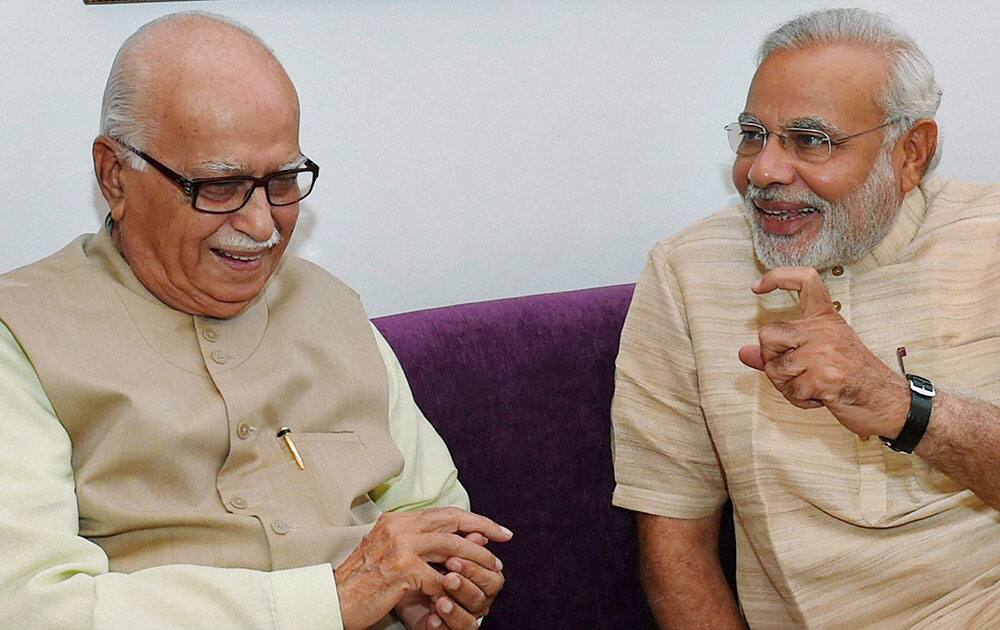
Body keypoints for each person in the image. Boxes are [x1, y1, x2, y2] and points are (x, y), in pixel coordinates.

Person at [0, 11, 510, 630]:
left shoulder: (332, 308)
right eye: (221, 185)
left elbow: (436, 510)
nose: (264, 226)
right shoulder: (21, 335)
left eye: (284, 181)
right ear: (115, 176)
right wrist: (333, 600)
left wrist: (442, 583)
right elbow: (30, 605)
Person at [611, 8, 1000, 629]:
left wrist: (900, 404)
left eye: (809, 140)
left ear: (911, 152)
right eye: (753, 134)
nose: (763, 171)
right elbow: (675, 539)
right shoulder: (687, 272)